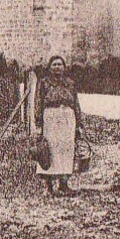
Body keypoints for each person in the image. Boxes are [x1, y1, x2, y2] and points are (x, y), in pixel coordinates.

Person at [32, 56, 82, 195]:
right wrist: (38, 123)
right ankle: (48, 186)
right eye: (54, 64)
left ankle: (63, 184)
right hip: (50, 117)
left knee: (66, 149)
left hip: (67, 118)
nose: (57, 67)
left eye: (60, 64)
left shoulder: (70, 83)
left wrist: (79, 123)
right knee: (49, 150)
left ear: (64, 67)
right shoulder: (44, 83)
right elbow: (38, 102)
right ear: (49, 67)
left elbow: (76, 103)